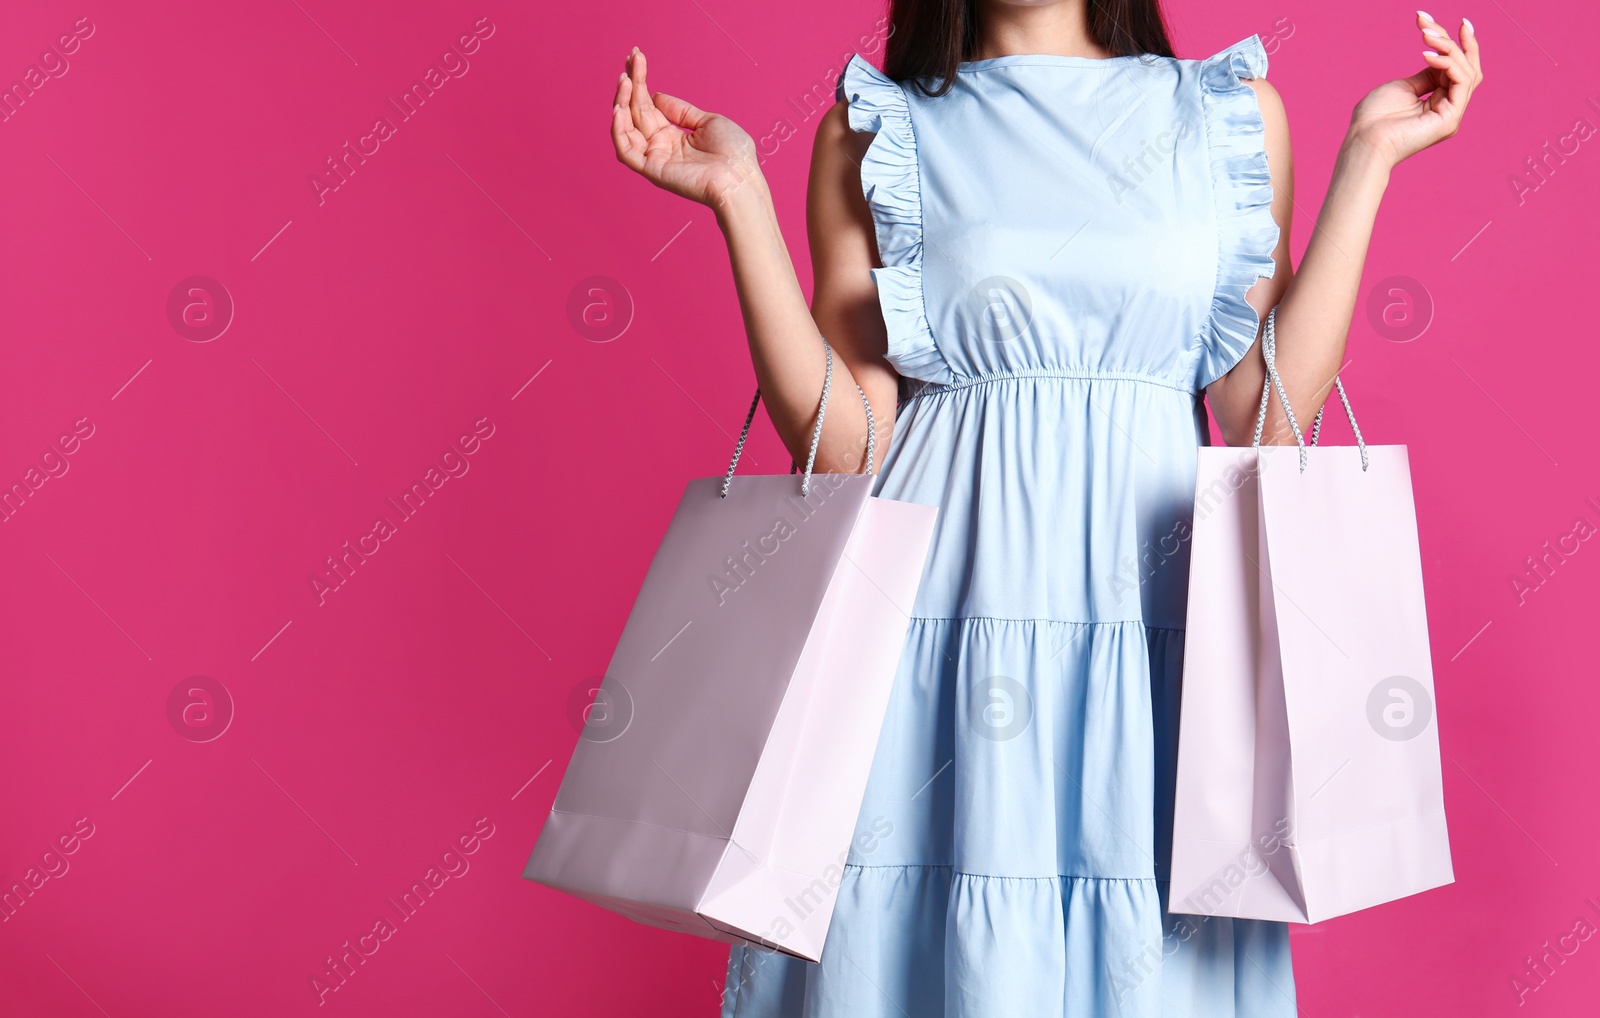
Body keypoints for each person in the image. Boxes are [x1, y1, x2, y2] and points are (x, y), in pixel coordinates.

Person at [609, 1, 1482, 1014]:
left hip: (1152, 646)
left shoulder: (1225, 111)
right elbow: (847, 443)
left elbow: (1259, 417)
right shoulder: (876, 125)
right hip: (935, 642)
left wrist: (1367, 161)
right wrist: (738, 197)